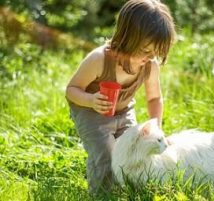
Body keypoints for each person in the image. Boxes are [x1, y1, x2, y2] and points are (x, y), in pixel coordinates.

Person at [65, 0, 176, 195]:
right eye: (146, 50)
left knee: (131, 148)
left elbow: (154, 99)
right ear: (127, 38)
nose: (150, 57)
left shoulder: (150, 66)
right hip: (91, 112)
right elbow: (72, 90)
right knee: (106, 153)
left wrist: (156, 128)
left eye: (156, 52)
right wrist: (91, 100)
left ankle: (127, 188)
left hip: (123, 111)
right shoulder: (99, 60)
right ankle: (102, 194)